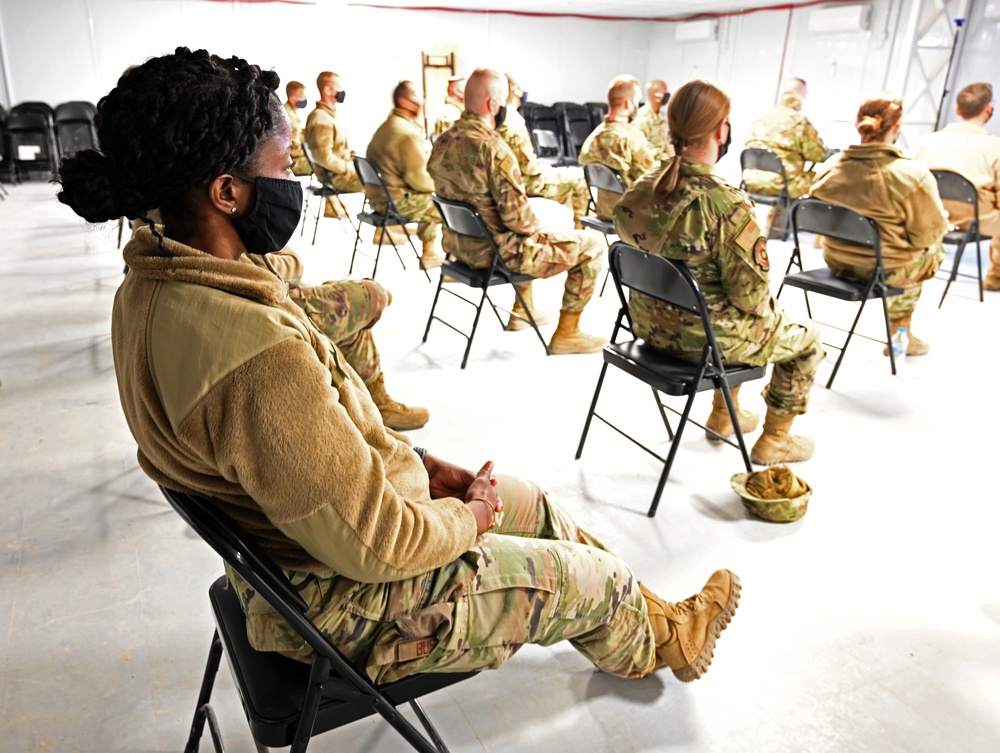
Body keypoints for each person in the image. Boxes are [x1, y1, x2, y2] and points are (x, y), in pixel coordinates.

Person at [57, 47, 742, 690]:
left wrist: (413, 462)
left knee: (528, 500)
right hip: (344, 602)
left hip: (298, 546)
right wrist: (468, 520)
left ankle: (662, 623)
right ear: (228, 193)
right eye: (284, 164)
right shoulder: (252, 356)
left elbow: (304, 445)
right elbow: (378, 544)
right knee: (588, 577)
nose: (291, 181)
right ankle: (654, 637)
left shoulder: (153, 284)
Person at [614, 80, 825, 465]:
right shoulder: (726, 203)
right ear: (720, 130)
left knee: (720, 310)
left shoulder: (640, 190)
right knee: (806, 338)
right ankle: (776, 439)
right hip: (702, 344)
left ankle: (724, 413)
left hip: (648, 328)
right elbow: (752, 299)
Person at [428, 68, 608, 354]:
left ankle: (524, 310)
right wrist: (545, 224)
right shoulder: (494, 149)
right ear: (492, 105)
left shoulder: (442, 142)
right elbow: (521, 223)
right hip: (495, 254)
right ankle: (567, 333)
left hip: (459, 247)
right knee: (593, 245)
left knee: (541, 221)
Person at [811, 95, 948, 355]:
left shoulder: (830, 168)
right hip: (886, 270)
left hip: (836, 261)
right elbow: (925, 236)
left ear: (858, 126)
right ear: (896, 128)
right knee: (932, 249)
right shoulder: (913, 175)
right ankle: (900, 334)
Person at [260, 248, 430, 430]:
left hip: (274, 290)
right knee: (373, 295)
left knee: (355, 322)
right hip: (270, 300)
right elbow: (283, 263)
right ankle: (372, 402)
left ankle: (369, 403)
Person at [913, 82, 1000, 291]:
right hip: (974, 219)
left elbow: (910, 178)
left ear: (957, 109)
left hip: (929, 213)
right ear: (989, 109)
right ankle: (995, 277)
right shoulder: (994, 147)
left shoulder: (927, 141)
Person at [366, 81, 445, 269]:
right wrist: (447, 187)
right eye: (417, 95)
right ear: (405, 101)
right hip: (393, 202)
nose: (422, 100)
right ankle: (429, 254)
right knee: (443, 204)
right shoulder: (405, 133)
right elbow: (420, 181)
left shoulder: (389, 125)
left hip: (378, 198)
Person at [743, 78, 832, 236]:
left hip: (751, 180)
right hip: (781, 185)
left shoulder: (761, 118)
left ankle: (776, 230)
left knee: (786, 174)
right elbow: (817, 154)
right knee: (826, 179)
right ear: (801, 97)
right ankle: (818, 237)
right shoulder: (800, 123)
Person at [498, 73, 590, 226]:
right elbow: (529, 168)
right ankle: (577, 235)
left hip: (507, 178)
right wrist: (545, 168)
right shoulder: (513, 121)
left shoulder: (498, 117)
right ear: (516, 90)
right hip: (524, 182)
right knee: (580, 182)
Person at [579, 75, 656, 220]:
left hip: (602, 210)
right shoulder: (632, 138)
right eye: (637, 100)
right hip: (629, 213)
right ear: (627, 104)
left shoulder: (595, 135)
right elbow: (650, 178)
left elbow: (585, 163)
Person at [304, 71, 362, 195]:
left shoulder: (330, 115)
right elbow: (323, 157)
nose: (342, 91)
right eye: (339, 88)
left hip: (343, 171)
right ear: (328, 91)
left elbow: (342, 148)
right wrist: (348, 167)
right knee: (384, 184)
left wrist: (357, 162)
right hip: (337, 177)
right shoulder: (321, 118)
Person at [633, 79, 673, 161]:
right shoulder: (643, 118)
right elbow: (639, 149)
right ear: (656, 95)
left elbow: (666, 142)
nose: (667, 94)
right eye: (664, 91)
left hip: (663, 160)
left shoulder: (661, 116)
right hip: (651, 162)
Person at [282, 80, 312, 176]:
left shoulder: (287, 110)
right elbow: (293, 149)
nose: (305, 99)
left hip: (289, 158)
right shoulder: (290, 117)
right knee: (322, 165)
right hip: (291, 161)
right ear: (292, 99)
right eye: (302, 96)